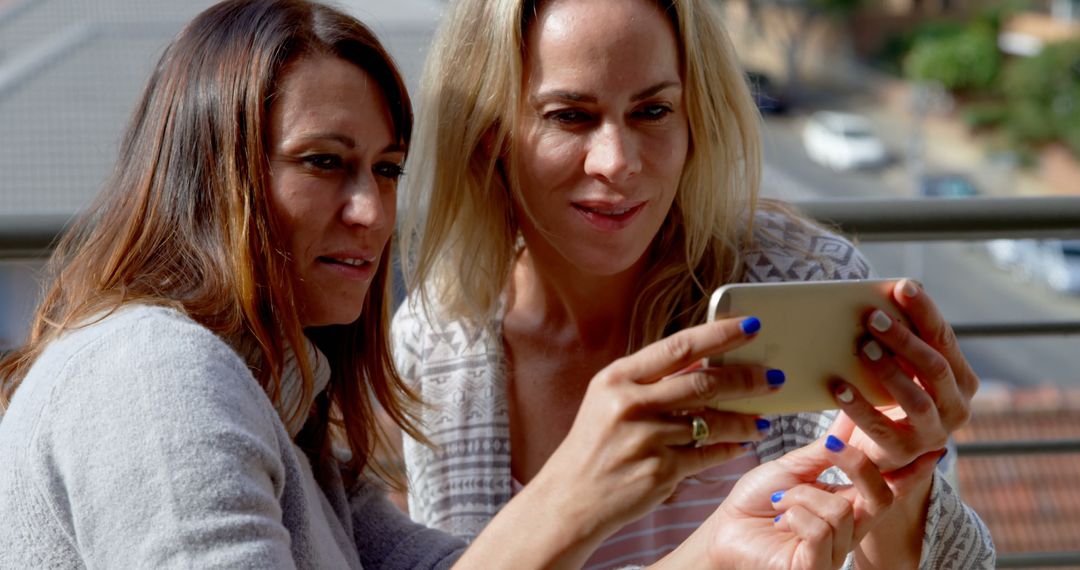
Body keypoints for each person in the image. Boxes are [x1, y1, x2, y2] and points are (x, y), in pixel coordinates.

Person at [0, 1, 911, 568]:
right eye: (324, 163)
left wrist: (718, 553)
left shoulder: (288, 409)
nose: (370, 212)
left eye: (388, 171)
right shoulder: (154, 375)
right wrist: (576, 491)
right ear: (213, 176)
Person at [394, 0, 996, 567]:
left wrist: (901, 488)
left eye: (653, 111)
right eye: (570, 116)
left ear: (696, 119)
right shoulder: (434, 344)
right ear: (488, 132)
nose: (618, 161)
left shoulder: (802, 279)